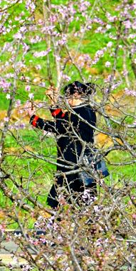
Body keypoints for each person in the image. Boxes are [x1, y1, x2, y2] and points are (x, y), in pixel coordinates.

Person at [28, 81, 99, 211]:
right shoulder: (85, 110)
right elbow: (64, 121)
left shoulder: (81, 112)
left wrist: (34, 119)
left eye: (67, 96)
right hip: (82, 160)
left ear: (76, 94)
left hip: (74, 161)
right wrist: (52, 102)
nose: (66, 100)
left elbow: (60, 127)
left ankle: (63, 220)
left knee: (66, 196)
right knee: (82, 198)